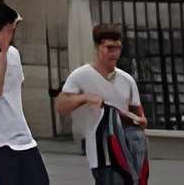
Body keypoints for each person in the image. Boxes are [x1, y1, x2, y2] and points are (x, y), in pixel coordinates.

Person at [56, 27, 145, 182]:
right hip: (101, 152)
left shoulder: (127, 80)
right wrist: (85, 98)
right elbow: (61, 106)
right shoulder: (80, 75)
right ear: (98, 47)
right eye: (110, 48)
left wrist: (139, 121)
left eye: (118, 48)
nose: (115, 53)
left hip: (128, 150)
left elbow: (140, 116)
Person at [0, 4, 47, 185]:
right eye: (7, 31)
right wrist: (1, 51)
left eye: (12, 30)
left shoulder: (13, 53)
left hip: (22, 137)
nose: (10, 35)